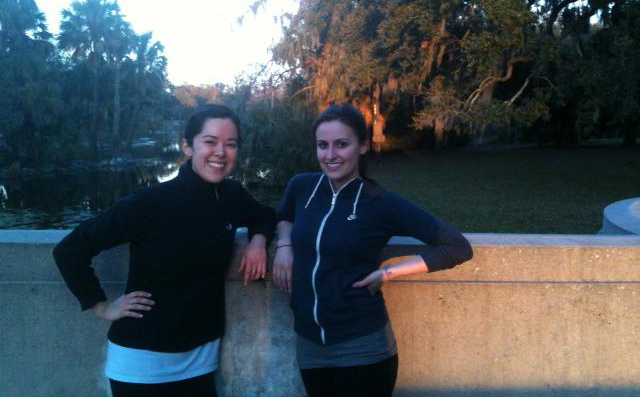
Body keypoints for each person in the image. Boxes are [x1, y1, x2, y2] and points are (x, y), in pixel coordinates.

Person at [53, 104, 275, 397]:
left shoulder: (230, 196)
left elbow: (265, 215)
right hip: (141, 363)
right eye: (210, 142)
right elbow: (70, 250)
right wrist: (101, 305)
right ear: (187, 146)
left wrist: (259, 241)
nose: (220, 152)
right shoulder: (150, 202)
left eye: (230, 144)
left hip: (200, 359)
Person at [272, 103, 473, 397]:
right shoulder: (301, 187)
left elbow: (457, 246)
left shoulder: (379, 203)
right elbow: (284, 216)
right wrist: (285, 246)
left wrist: (389, 271)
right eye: (322, 145)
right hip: (309, 345)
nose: (330, 155)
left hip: (363, 346)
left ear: (363, 145)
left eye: (341, 144)